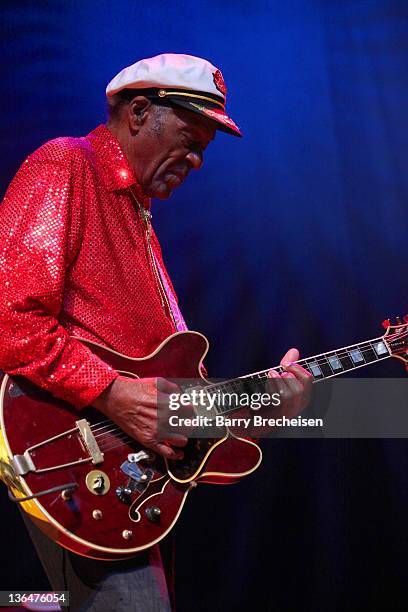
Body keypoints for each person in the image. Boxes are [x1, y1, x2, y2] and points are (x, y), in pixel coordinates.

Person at [0, 53, 312, 611]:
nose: (195, 159)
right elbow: (10, 317)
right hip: (64, 457)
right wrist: (115, 394)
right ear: (139, 112)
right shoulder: (66, 166)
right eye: (190, 138)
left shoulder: (138, 218)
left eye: (203, 150)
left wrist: (267, 410)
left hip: (129, 486)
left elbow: (164, 403)